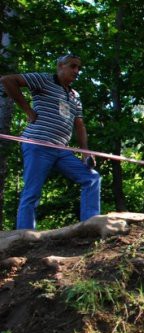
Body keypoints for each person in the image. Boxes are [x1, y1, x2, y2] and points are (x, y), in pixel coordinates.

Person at [0, 54, 101, 229]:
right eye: (73, 66)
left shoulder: (75, 95)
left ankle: (90, 226)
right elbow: (8, 80)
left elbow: (80, 125)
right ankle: (24, 236)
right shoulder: (44, 80)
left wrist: (86, 152)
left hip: (61, 149)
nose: (77, 71)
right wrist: (27, 110)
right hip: (37, 144)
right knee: (32, 192)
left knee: (91, 178)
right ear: (60, 66)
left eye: (79, 68)